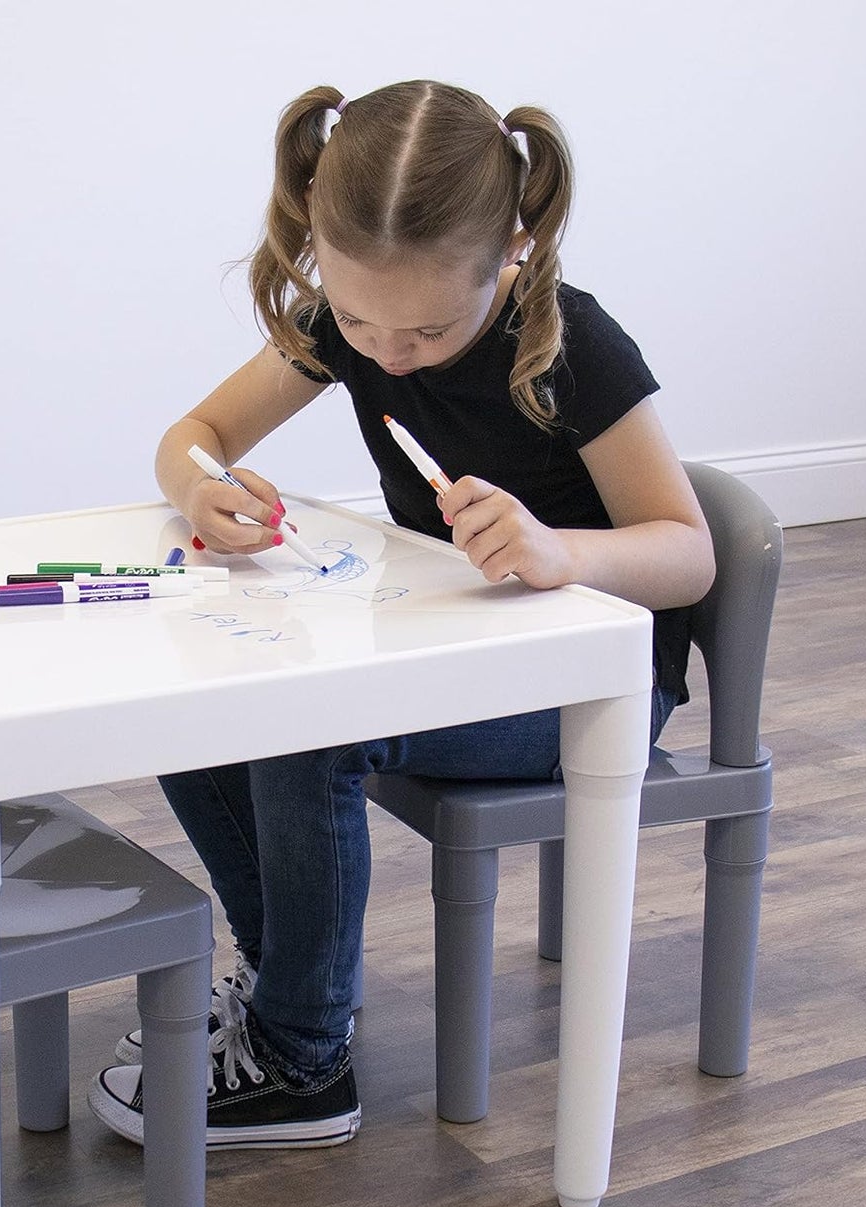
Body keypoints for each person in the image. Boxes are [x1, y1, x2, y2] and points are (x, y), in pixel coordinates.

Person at [87, 79, 716, 1150]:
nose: (385, 352)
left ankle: (302, 1056)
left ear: (511, 253)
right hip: (451, 645)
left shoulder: (570, 346)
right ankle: (290, 977)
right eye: (358, 318)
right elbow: (192, 432)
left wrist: (557, 552)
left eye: (424, 328)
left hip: (586, 687)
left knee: (313, 730)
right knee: (192, 691)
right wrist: (203, 489)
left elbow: (688, 553)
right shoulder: (350, 321)